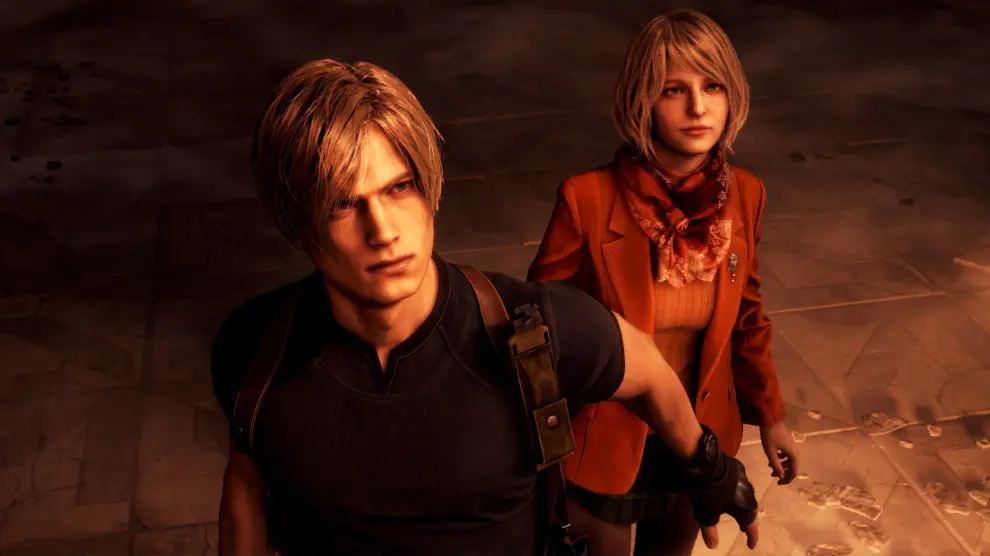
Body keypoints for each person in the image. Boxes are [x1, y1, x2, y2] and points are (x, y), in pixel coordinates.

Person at [211, 58, 760, 556]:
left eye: (400, 188)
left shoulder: (530, 329)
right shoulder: (255, 349)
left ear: (429, 190)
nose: (383, 231)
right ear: (299, 222)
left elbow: (649, 374)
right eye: (343, 204)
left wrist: (710, 468)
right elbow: (248, 480)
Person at [527, 10, 800, 556]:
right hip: (605, 436)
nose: (698, 107)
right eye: (674, 90)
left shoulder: (746, 193)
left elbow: (748, 315)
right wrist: (543, 453)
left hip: (698, 437)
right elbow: (535, 335)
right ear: (642, 101)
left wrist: (771, 417)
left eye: (713, 86)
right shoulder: (587, 199)